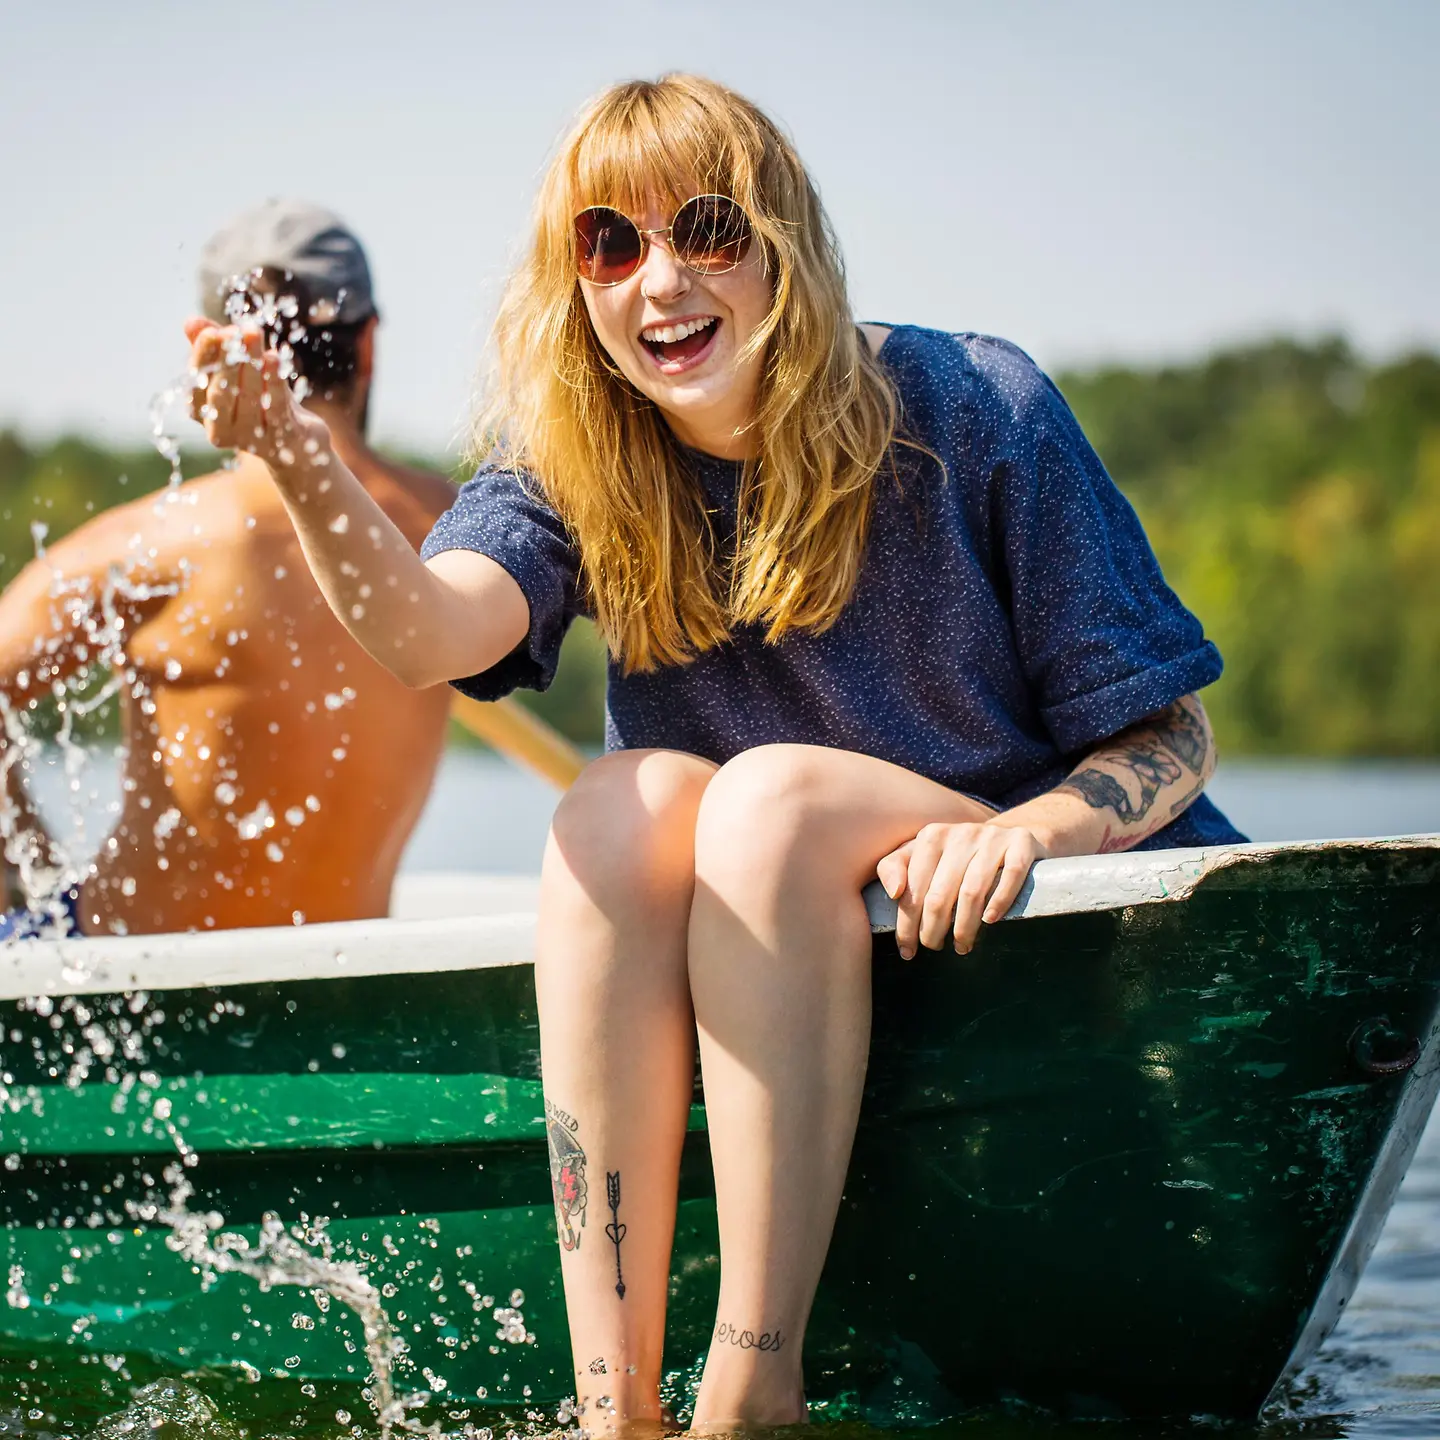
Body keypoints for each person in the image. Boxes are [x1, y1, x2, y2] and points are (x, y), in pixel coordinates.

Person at [184, 77, 1246, 1430]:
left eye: (706, 228)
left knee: (770, 801)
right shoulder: (572, 461)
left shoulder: (975, 402)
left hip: (1023, 919)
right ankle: (617, 1408)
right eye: (610, 244)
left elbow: (1174, 729)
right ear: (575, 281)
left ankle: (752, 1391)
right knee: (615, 808)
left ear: (782, 238)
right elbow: (428, 635)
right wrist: (294, 452)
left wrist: (1035, 831)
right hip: (784, 925)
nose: (661, 280)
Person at [0, 201, 456, 935]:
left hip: (127, 970)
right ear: (367, 344)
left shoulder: (152, 543)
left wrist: (24, 866)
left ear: (209, 360)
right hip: (343, 975)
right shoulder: (456, 527)